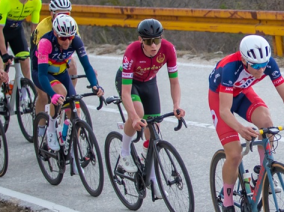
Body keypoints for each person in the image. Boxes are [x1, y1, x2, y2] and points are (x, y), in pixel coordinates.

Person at [208, 34, 284, 212]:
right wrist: (241, 129)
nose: (261, 70)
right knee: (235, 154)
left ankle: (262, 172)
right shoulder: (229, 68)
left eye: (264, 65)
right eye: (256, 66)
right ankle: (227, 202)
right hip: (220, 99)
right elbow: (224, 111)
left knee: (268, 125)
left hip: (242, 93)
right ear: (244, 60)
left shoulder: (268, 64)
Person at [113, 19, 185, 175]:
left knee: (154, 128)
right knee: (138, 112)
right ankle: (124, 152)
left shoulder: (168, 49)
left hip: (149, 82)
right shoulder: (131, 52)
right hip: (130, 82)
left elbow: (174, 82)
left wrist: (176, 105)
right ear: (140, 40)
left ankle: (149, 172)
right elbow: (126, 93)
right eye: (148, 41)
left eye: (156, 40)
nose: (153, 45)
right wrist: (134, 117)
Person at [33, 14, 103, 150]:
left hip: (61, 73)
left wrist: (95, 85)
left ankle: (71, 150)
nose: (66, 42)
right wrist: (52, 94)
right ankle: (51, 130)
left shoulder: (76, 41)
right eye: (63, 38)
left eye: (70, 38)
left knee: (75, 112)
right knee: (61, 92)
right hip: (43, 73)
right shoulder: (45, 43)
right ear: (55, 33)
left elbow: (87, 66)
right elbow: (42, 75)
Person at [0, 0, 41, 109]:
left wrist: (35, 47)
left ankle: (24, 94)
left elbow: (34, 28)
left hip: (16, 31)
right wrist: (4, 53)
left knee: (25, 59)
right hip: (1, 31)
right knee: (3, 67)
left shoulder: (36, 1)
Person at [34, 0, 79, 81]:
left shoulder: (71, 24)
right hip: (43, 53)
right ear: (52, 14)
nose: (63, 17)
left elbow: (76, 45)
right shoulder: (43, 28)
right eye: (60, 14)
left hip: (60, 51)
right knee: (42, 82)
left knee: (72, 64)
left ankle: (70, 90)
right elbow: (40, 52)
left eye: (66, 14)